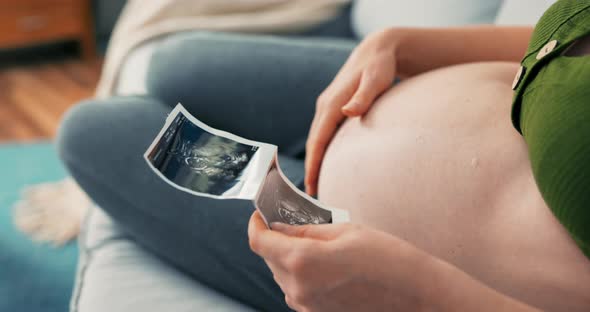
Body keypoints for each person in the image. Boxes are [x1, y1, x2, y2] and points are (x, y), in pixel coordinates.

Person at [58, 0, 590, 311]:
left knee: (94, 132)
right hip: (407, 95)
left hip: (371, 256)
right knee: (178, 64)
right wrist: (401, 44)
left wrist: (416, 291)